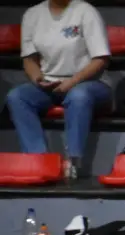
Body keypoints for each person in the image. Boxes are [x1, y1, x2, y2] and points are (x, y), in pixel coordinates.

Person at [7, 0, 112, 181]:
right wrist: (38, 78)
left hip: (90, 82)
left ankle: (73, 162)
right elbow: (29, 59)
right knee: (17, 97)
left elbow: (100, 59)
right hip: (51, 84)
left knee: (78, 96)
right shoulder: (32, 14)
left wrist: (72, 82)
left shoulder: (85, 11)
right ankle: (39, 160)